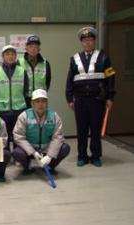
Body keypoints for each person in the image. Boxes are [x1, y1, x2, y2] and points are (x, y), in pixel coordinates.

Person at [66, 26, 116, 167]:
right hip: (80, 100)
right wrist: (69, 98)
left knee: (95, 129)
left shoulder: (104, 57)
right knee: (81, 129)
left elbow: (111, 78)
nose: (88, 43)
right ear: (81, 43)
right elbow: (70, 80)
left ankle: (96, 156)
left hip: (97, 100)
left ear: (94, 41)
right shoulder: (74, 59)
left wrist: (110, 97)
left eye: (90, 40)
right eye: (85, 40)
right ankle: (82, 156)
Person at [12, 89, 70, 175]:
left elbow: (58, 137)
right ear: (32, 103)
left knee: (65, 148)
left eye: (43, 101)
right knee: (17, 152)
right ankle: (28, 166)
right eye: (37, 101)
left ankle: (50, 166)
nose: (40, 104)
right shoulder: (24, 116)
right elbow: (18, 136)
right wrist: (33, 152)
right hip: (30, 150)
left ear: (47, 103)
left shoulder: (54, 116)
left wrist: (49, 156)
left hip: (47, 149)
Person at [0, 45, 29, 150]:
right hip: (2, 109)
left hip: (19, 108)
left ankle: (17, 155)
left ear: (15, 56)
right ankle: (5, 156)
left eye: (12, 54)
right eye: (7, 54)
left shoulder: (22, 71)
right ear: (3, 56)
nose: (10, 56)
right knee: (3, 134)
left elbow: (26, 90)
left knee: (18, 134)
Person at [17, 35, 51, 100]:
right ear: (26, 48)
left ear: (39, 49)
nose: (33, 49)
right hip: (24, 98)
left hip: (40, 97)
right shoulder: (19, 62)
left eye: (36, 46)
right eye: (31, 46)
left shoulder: (45, 63)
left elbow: (47, 82)